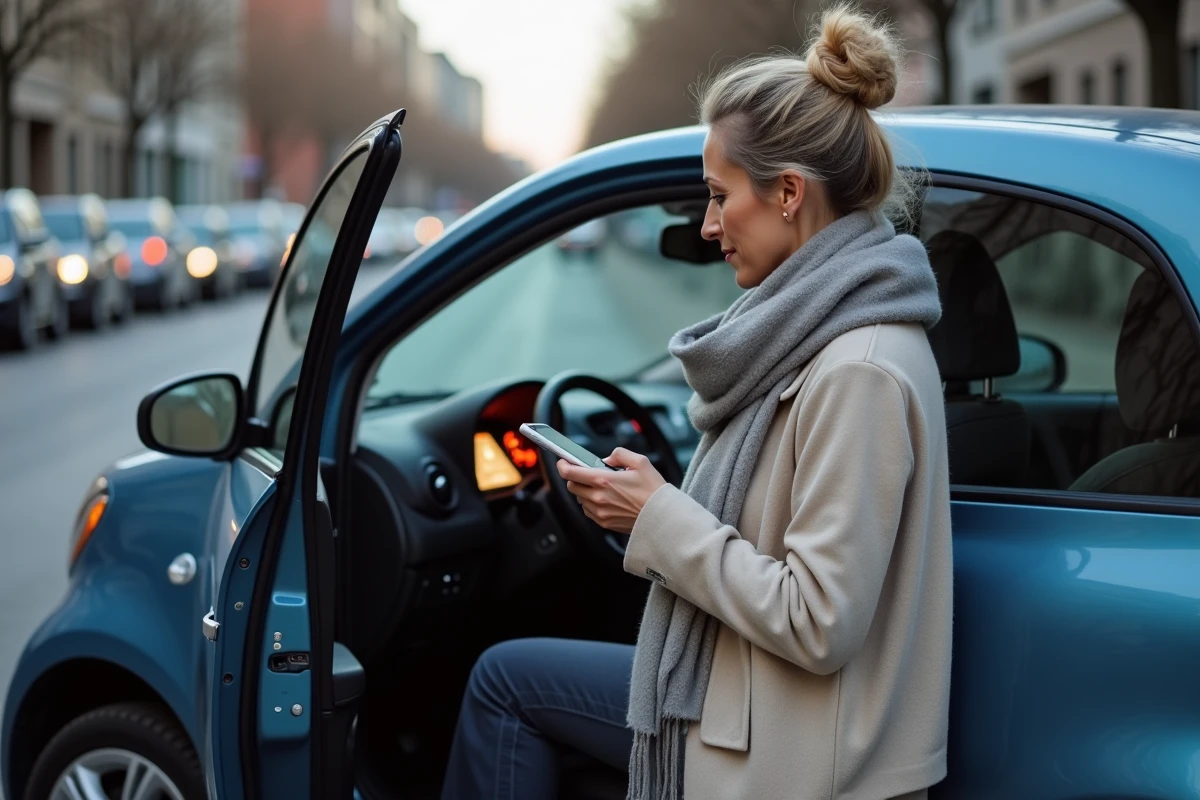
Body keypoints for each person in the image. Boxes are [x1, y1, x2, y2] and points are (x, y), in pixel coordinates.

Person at [440, 4, 952, 799]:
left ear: (789, 192)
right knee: (513, 676)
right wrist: (658, 509)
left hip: (793, 754)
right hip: (765, 715)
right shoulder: (820, 337)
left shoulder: (858, 369)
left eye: (719, 196)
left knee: (505, 682)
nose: (710, 225)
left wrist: (658, 517)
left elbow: (818, 621)